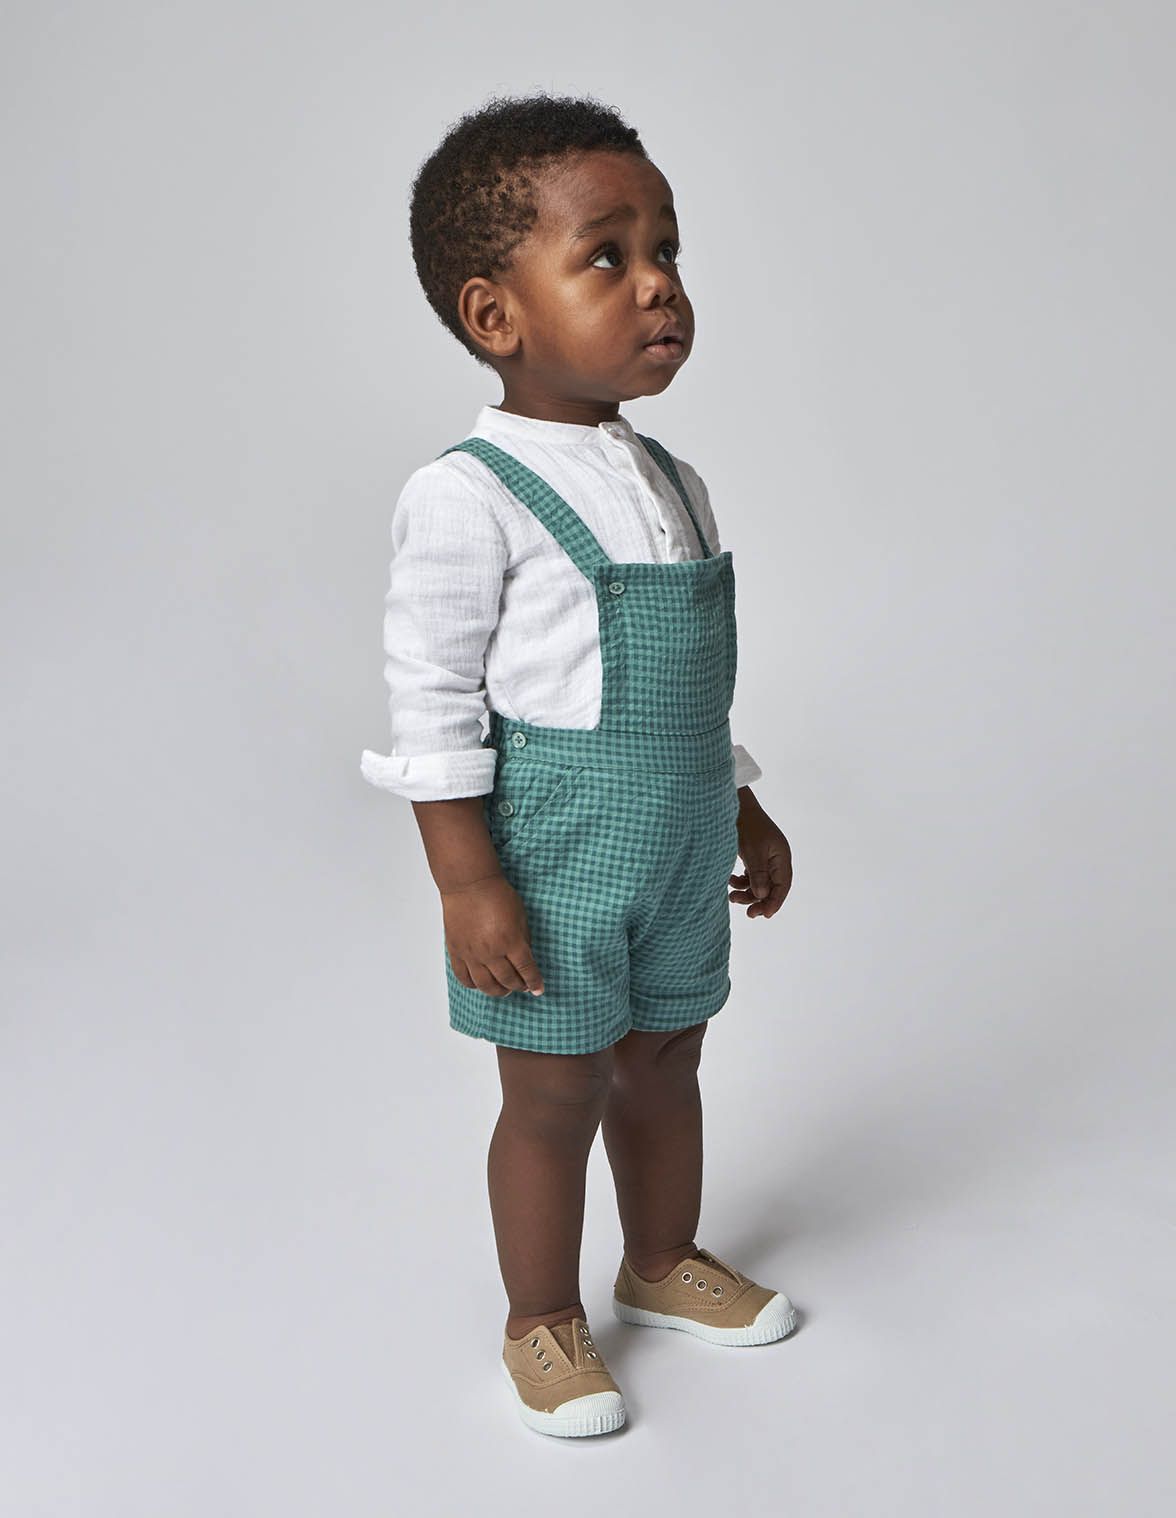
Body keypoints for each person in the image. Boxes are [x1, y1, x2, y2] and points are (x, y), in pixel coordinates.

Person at [359, 93, 796, 1439]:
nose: (658, 281)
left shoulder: (676, 480)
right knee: (555, 1088)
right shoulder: (468, 493)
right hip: (553, 852)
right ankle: (540, 1318)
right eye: (607, 255)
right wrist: (465, 881)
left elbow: (696, 685)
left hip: (678, 835)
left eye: (667, 249)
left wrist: (742, 803)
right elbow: (434, 701)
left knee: (667, 1053)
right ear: (496, 315)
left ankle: (660, 1262)